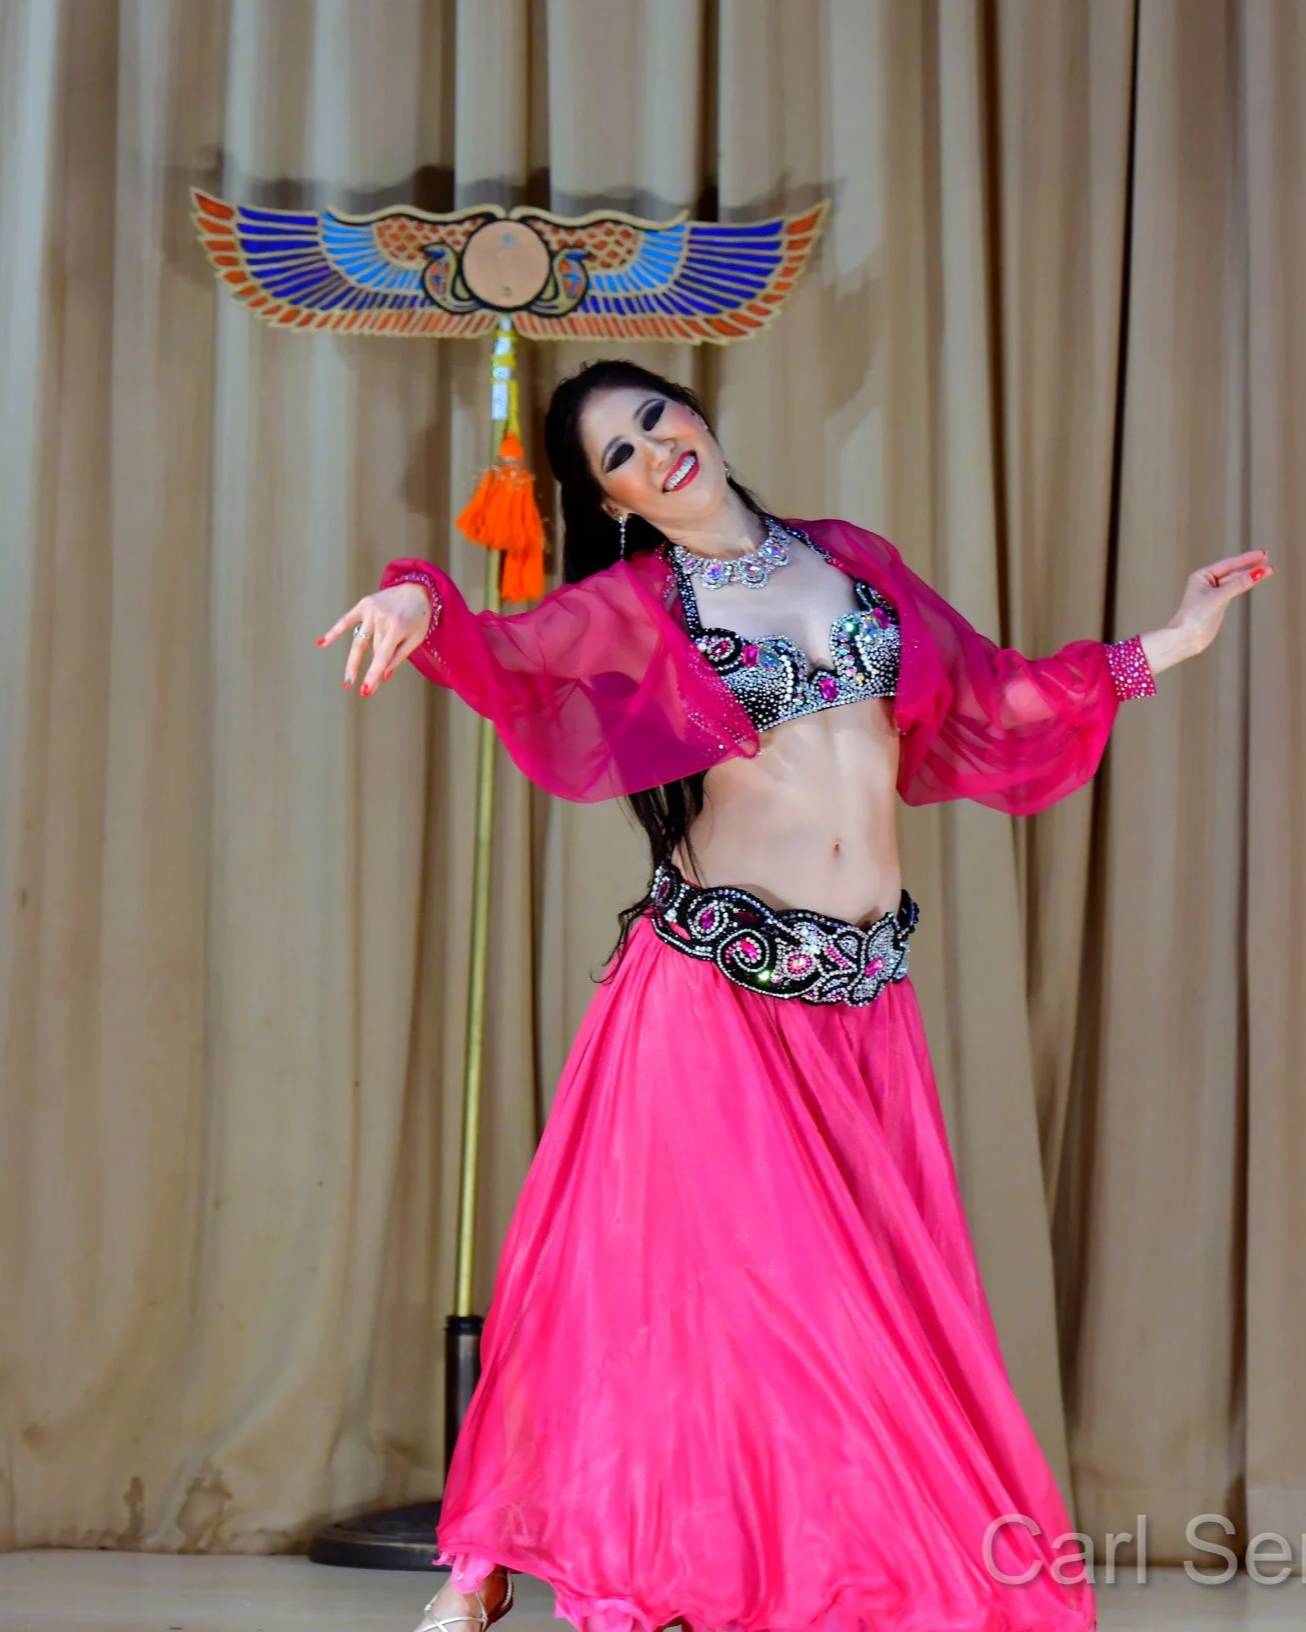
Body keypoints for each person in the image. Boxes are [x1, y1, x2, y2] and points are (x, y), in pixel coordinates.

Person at [318, 360, 1272, 1632]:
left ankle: (766, 1576)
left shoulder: (850, 560)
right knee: (691, 1301)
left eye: (654, 417)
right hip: (713, 991)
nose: (654, 450)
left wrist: (1172, 641)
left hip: (860, 1003)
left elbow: (996, 693)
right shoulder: (633, 606)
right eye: (617, 456)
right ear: (610, 503)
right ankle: (503, 1549)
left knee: (854, 1327)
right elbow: (502, 650)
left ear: (695, 414)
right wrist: (414, 598)